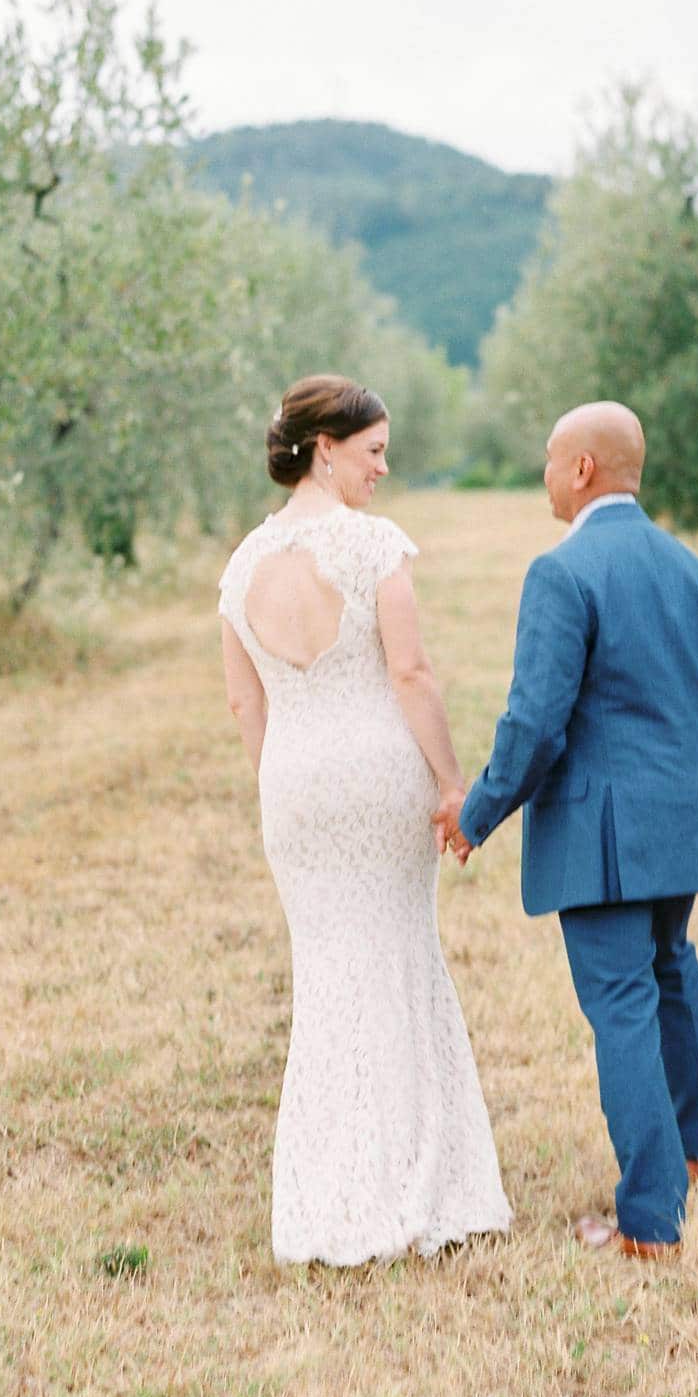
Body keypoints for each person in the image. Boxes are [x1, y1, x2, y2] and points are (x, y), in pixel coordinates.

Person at [218, 374, 511, 1266]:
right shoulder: (372, 546)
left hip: (295, 784)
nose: (385, 468)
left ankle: (329, 1198)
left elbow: (245, 708)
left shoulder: (239, 566)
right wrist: (452, 778)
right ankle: (417, 1187)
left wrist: (282, 790)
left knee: (329, 978)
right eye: (375, 451)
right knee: (396, 959)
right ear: (325, 449)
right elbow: (411, 676)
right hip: (379, 777)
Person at [442, 402, 698, 1261]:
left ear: (582, 471)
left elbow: (536, 724)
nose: (542, 473)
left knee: (623, 1007)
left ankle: (650, 1221)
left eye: (547, 459)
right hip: (681, 824)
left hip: (605, 839)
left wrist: (476, 815)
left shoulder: (561, 574)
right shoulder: (693, 572)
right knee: (672, 975)